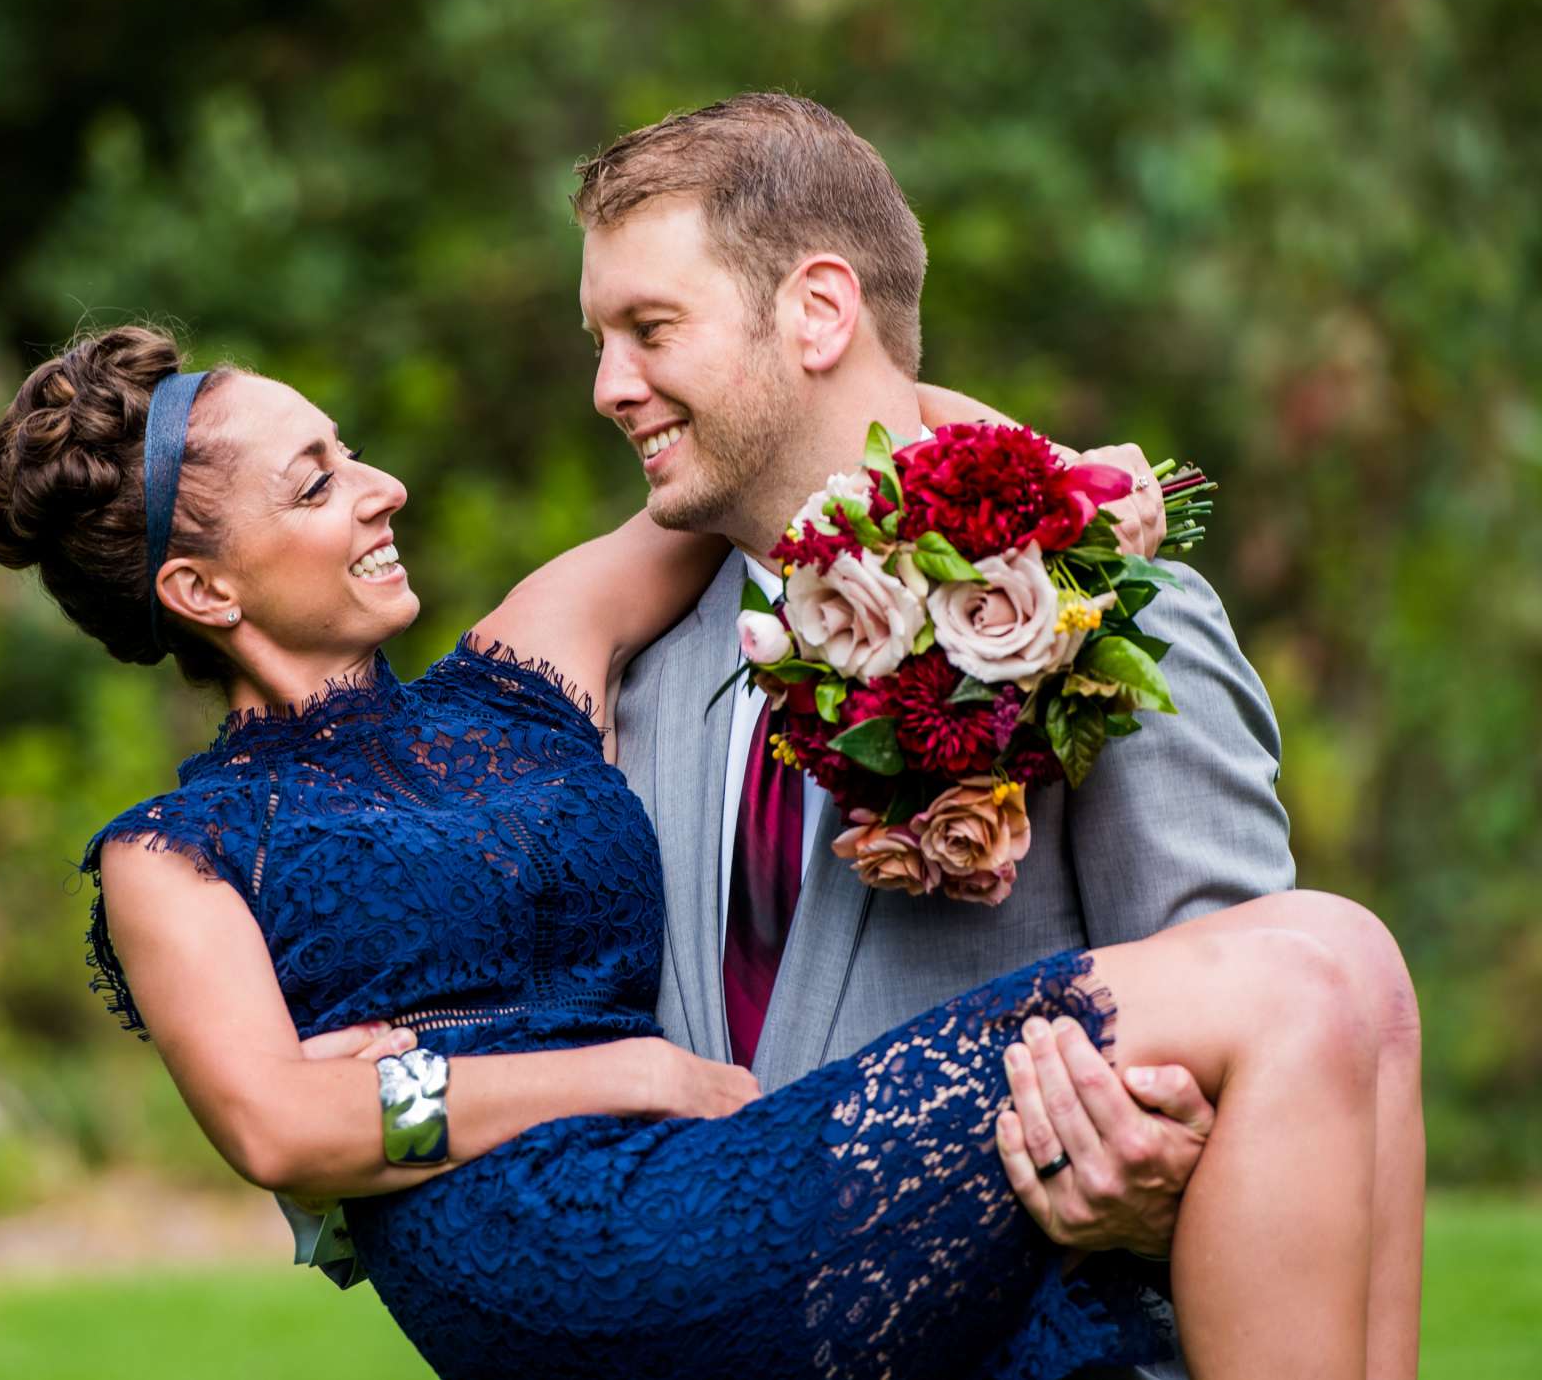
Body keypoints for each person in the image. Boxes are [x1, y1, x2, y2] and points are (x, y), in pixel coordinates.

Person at [0, 323, 1423, 1379]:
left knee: (1351, 964)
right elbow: (280, 1126)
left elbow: (816, 459)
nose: (382, 486)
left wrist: (1057, 502)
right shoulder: (178, 852)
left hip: (707, 1167)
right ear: (199, 584)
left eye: (350, 453)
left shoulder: (526, 660)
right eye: (316, 482)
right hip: (567, 1251)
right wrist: (628, 1074)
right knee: (1293, 985)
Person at [574, 94, 1422, 1380]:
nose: (608, 386)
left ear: (817, 309)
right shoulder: (618, 676)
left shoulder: (1111, 625)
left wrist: (1152, 1186)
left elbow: (1286, 1073)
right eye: (599, 338)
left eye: (649, 329)